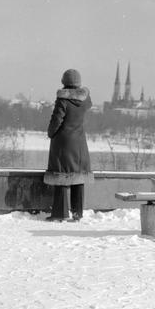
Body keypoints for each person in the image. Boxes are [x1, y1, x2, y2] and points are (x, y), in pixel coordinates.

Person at [43, 69, 94, 221]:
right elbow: (88, 102)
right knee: (78, 176)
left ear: (64, 82)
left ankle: (60, 213)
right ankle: (77, 213)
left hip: (63, 142)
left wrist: (50, 133)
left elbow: (56, 120)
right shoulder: (85, 100)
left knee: (61, 176)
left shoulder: (63, 100)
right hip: (79, 142)